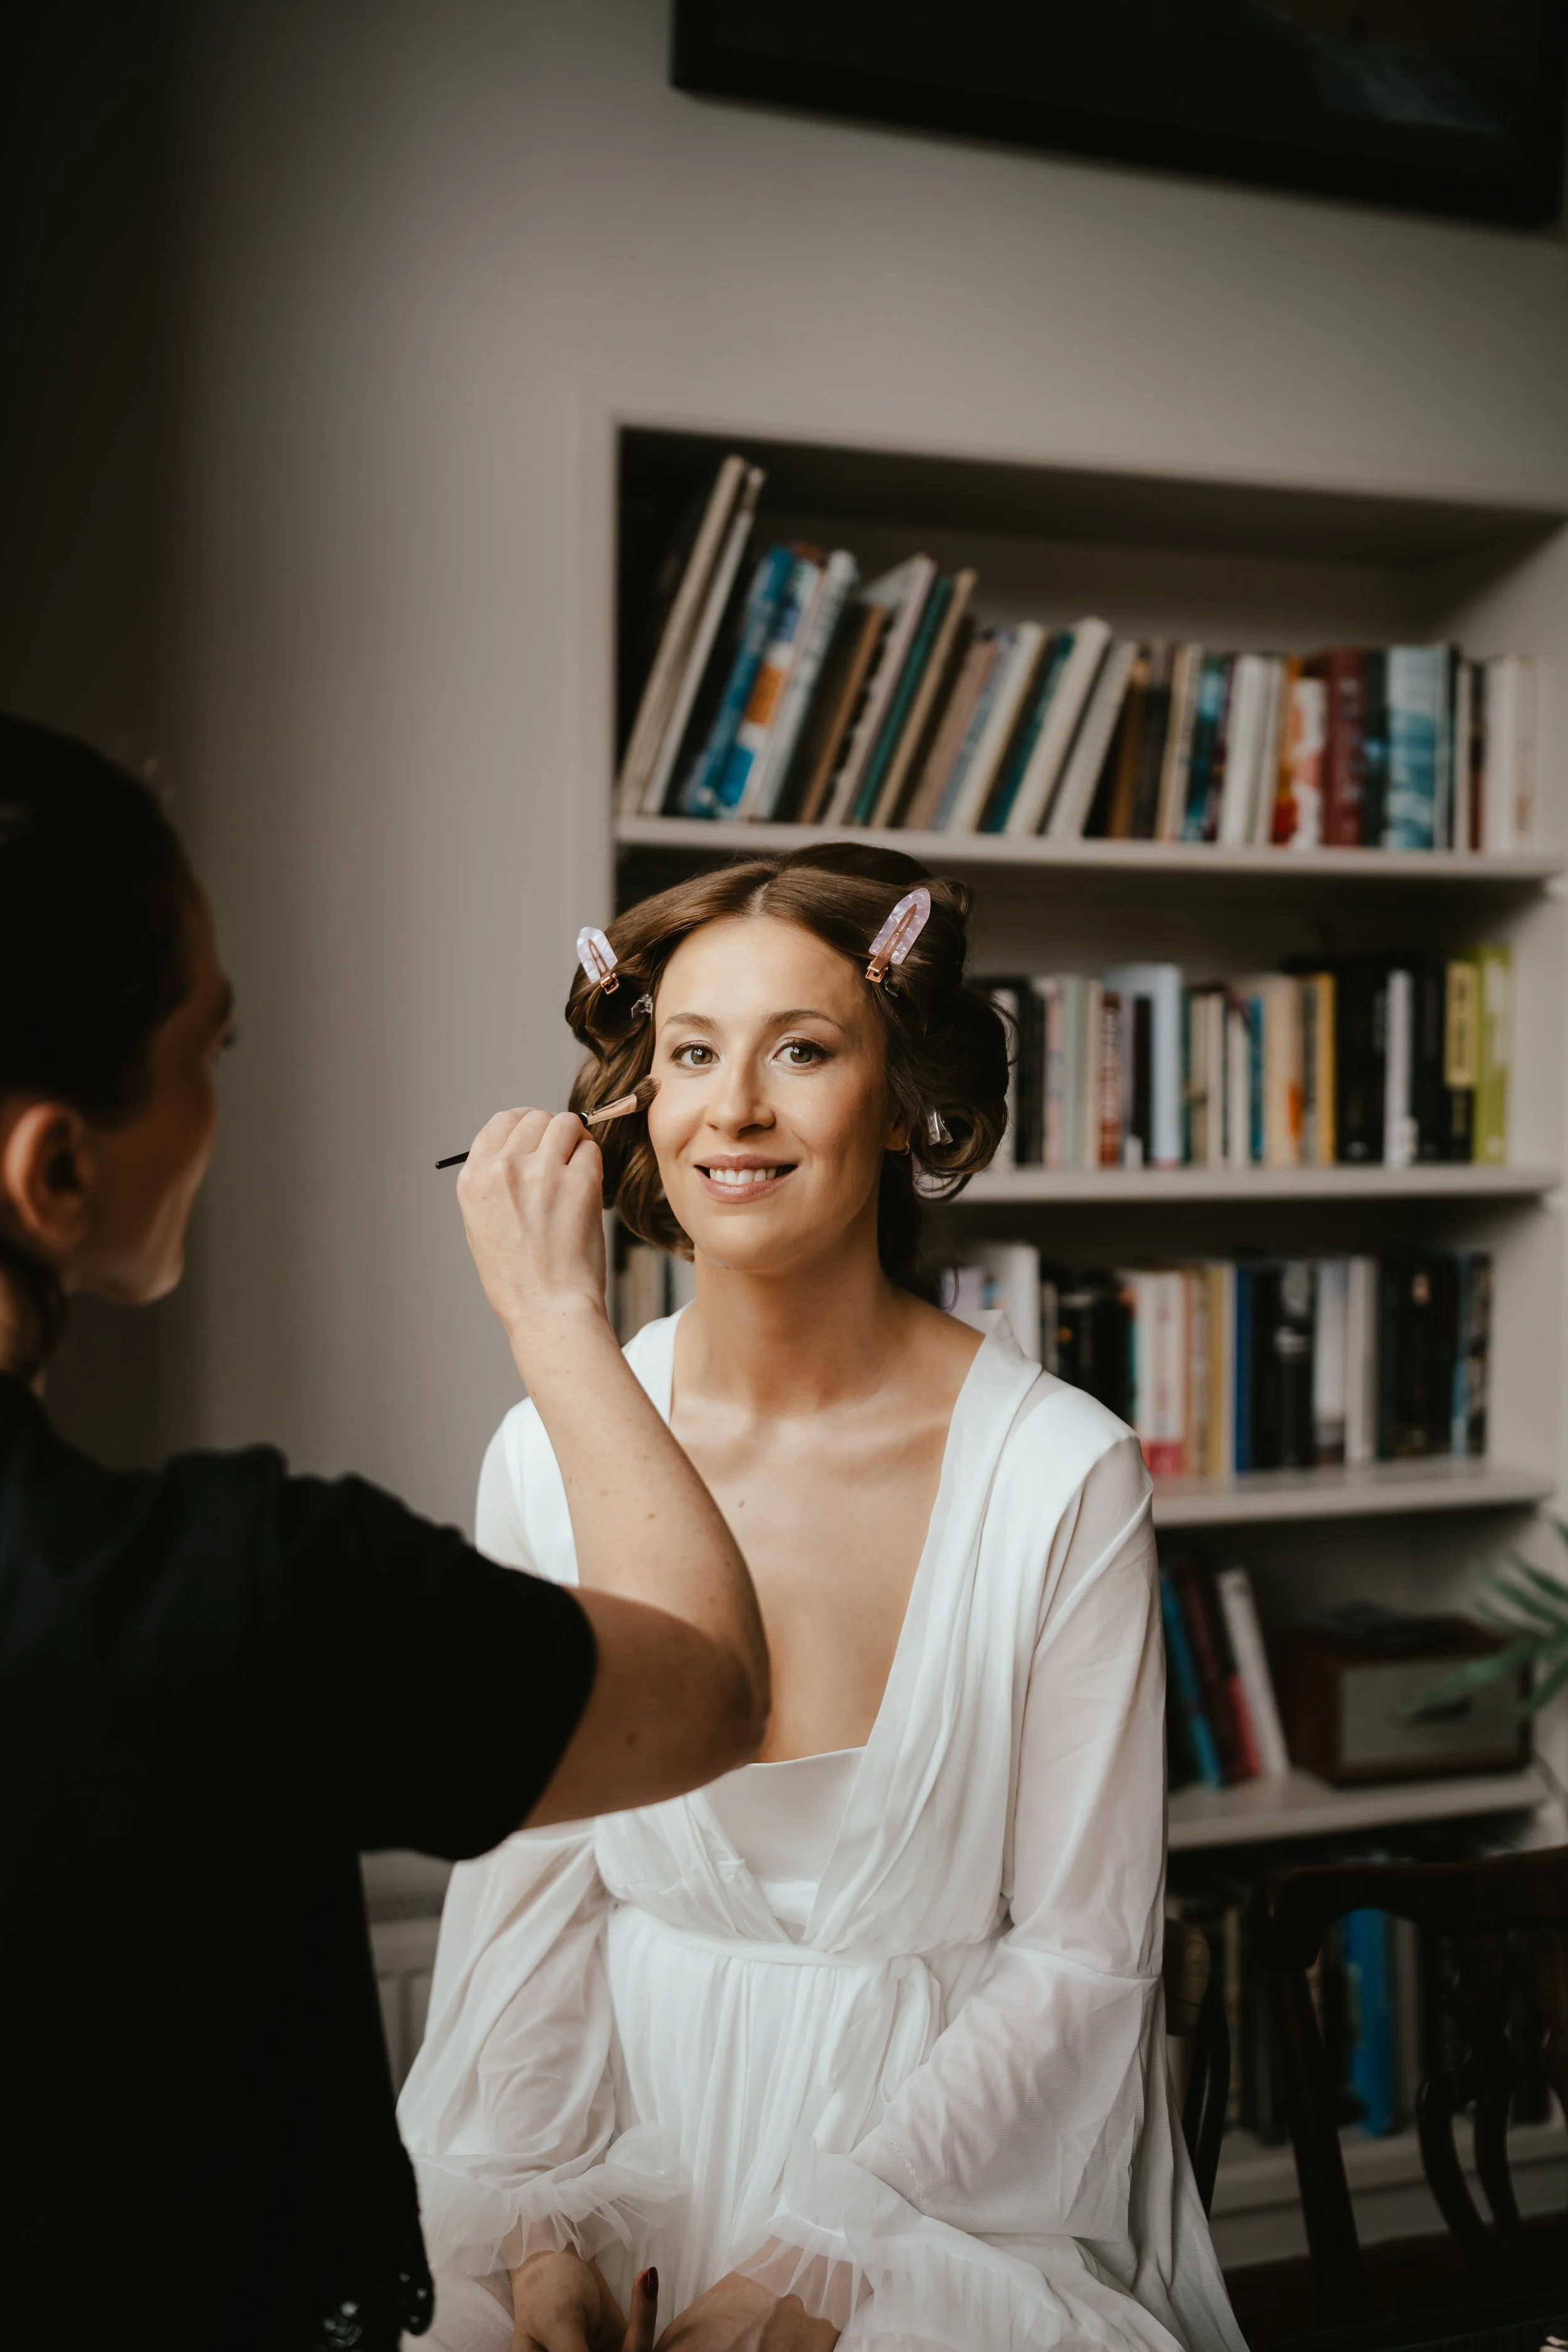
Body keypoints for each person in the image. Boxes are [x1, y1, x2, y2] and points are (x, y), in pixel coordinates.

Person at [398, 844, 1248, 2352]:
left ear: (906, 1099)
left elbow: (1081, 1950)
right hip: (619, 2154)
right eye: (689, 1055)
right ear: (635, 1109)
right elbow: (528, 1895)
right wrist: (536, 2237)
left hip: (929, 2196)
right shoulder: (548, 1448)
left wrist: (818, 2267)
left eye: (800, 1049)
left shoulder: (1062, 1477)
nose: (735, 1108)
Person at [0, 714, 770, 2352]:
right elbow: (704, 1676)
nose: (731, 1111)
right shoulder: (242, 1590)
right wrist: (559, 1313)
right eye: (213, 1045)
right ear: (54, 1171)